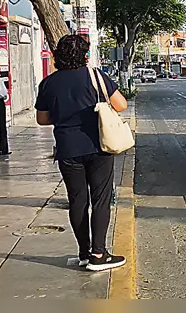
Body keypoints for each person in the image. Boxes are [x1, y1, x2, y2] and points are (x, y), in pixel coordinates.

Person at [35, 34, 128, 272]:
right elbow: (121, 105)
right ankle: (99, 254)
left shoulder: (49, 83)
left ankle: (84, 253)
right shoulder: (96, 76)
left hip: (67, 148)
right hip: (98, 147)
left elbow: (42, 119)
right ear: (85, 55)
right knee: (100, 200)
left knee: (77, 201)